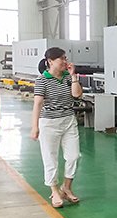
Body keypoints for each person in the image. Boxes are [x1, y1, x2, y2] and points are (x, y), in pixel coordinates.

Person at [30, 47, 83, 209]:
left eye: (66, 58)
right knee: (50, 158)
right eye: (62, 59)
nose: (65, 61)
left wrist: (73, 76)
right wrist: (35, 126)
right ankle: (54, 191)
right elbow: (38, 104)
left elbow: (77, 95)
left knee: (74, 156)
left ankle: (66, 187)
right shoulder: (42, 80)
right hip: (49, 123)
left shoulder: (67, 77)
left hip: (68, 120)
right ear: (50, 61)